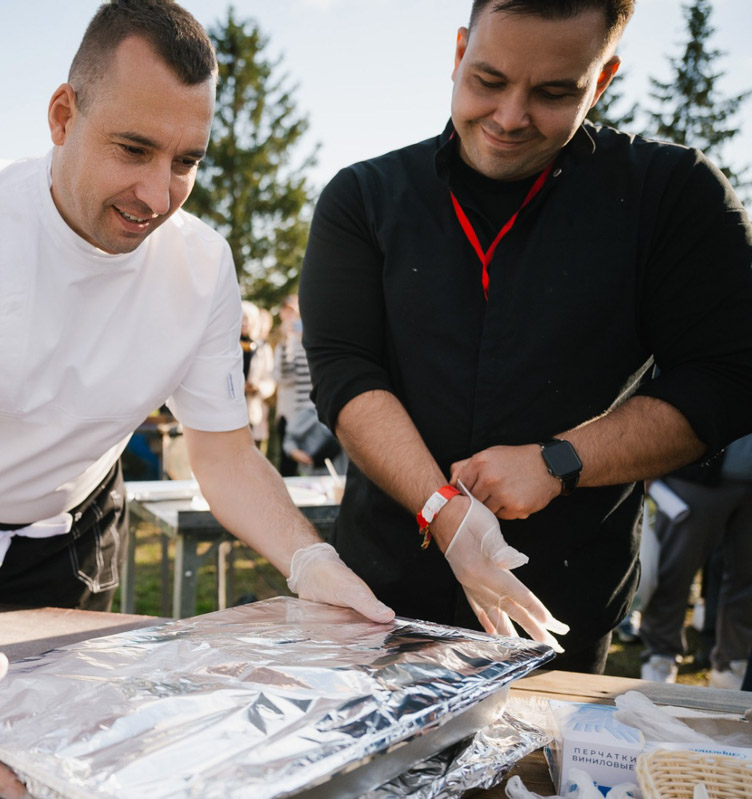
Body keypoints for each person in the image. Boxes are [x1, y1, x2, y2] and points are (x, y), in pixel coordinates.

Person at [0, 3, 394, 796]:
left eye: (186, 160)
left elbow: (222, 454)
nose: (156, 193)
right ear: (62, 114)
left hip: (77, 541)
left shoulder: (200, 267)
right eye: (133, 149)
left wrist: (309, 557)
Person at [301, 0, 752, 674]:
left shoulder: (674, 196)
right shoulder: (362, 197)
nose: (510, 118)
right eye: (487, 80)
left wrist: (559, 462)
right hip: (379, 605)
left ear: (601, 81)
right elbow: (345, 371)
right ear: (458, 54)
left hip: (559, 617)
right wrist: (442, 508)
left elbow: (726, 378)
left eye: (552, 93)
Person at [639, 435, 752, 689]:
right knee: (673, 572)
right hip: (694, 473)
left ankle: (732, 663)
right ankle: (660, 657)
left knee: (746, 580)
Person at [273, 295, 310, 477]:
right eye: (286, 312)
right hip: (289, 413)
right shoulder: (282, 344)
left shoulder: (310, 340)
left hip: (310, 415)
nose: (290, 317)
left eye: (293, 312)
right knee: (287, 462)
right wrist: (287, 341)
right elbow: (283, 376)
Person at [241, 301, 275, 453]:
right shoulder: (228, 346)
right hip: (231, 410)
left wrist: (256, 388)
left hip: (253, 411)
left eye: (247, 318)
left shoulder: (262, 348)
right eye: (240, 318)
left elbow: (270, 380)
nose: (244, 323)